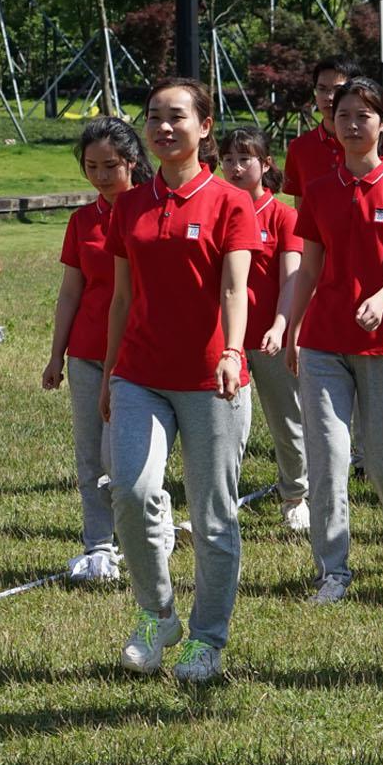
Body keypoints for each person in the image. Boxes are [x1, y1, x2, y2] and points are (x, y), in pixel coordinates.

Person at [101, 78, 258, 683]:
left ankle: (207, 640)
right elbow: (121, 297)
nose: (164, 128)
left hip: (211, 377)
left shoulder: (229, 202)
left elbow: (234, 286)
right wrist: (112, 372)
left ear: (204, 127)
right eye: (154, 118)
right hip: (140, 372)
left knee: (215, 513)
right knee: (133, 493)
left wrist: (233, 349)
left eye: (177, 117)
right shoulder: (131, 204)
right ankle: (157, 613)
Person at [285, 75, 383, 603]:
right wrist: (294, 326)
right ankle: (334, 569)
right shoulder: (320, 190)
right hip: (324, 341)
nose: (350, 124)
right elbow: (308, 267)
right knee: (327, 456)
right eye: (342, 115)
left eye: (362, 116)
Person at [42, 117, 150, 586]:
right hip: (86, 353)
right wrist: (55, 354)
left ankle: (148, 530)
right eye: (92, 167)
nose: (102, 177)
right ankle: (98, 546)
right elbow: (70, 292)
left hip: (136, 355)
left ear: (132, 162)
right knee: (90, 457)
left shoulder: (150, 212)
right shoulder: (82, 221)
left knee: (121, 460)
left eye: (111, 166)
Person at [221, 126, 311, 534]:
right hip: (228, 340)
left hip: (270, 338)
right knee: (224, 424)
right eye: (228, 160)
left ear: (266, 164)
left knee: (286, 420)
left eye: (245, 159)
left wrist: (279, 325)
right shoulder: (220, 209)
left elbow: (291, 277)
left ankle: (296, 496)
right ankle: (221, 499)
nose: (236, 168)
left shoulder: (283, 215)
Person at [283, 55, 362, 199]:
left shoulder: (375, 145)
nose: (329, 97)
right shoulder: (299, 148)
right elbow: (301, 208)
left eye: (338, 89)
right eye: (322, 89)